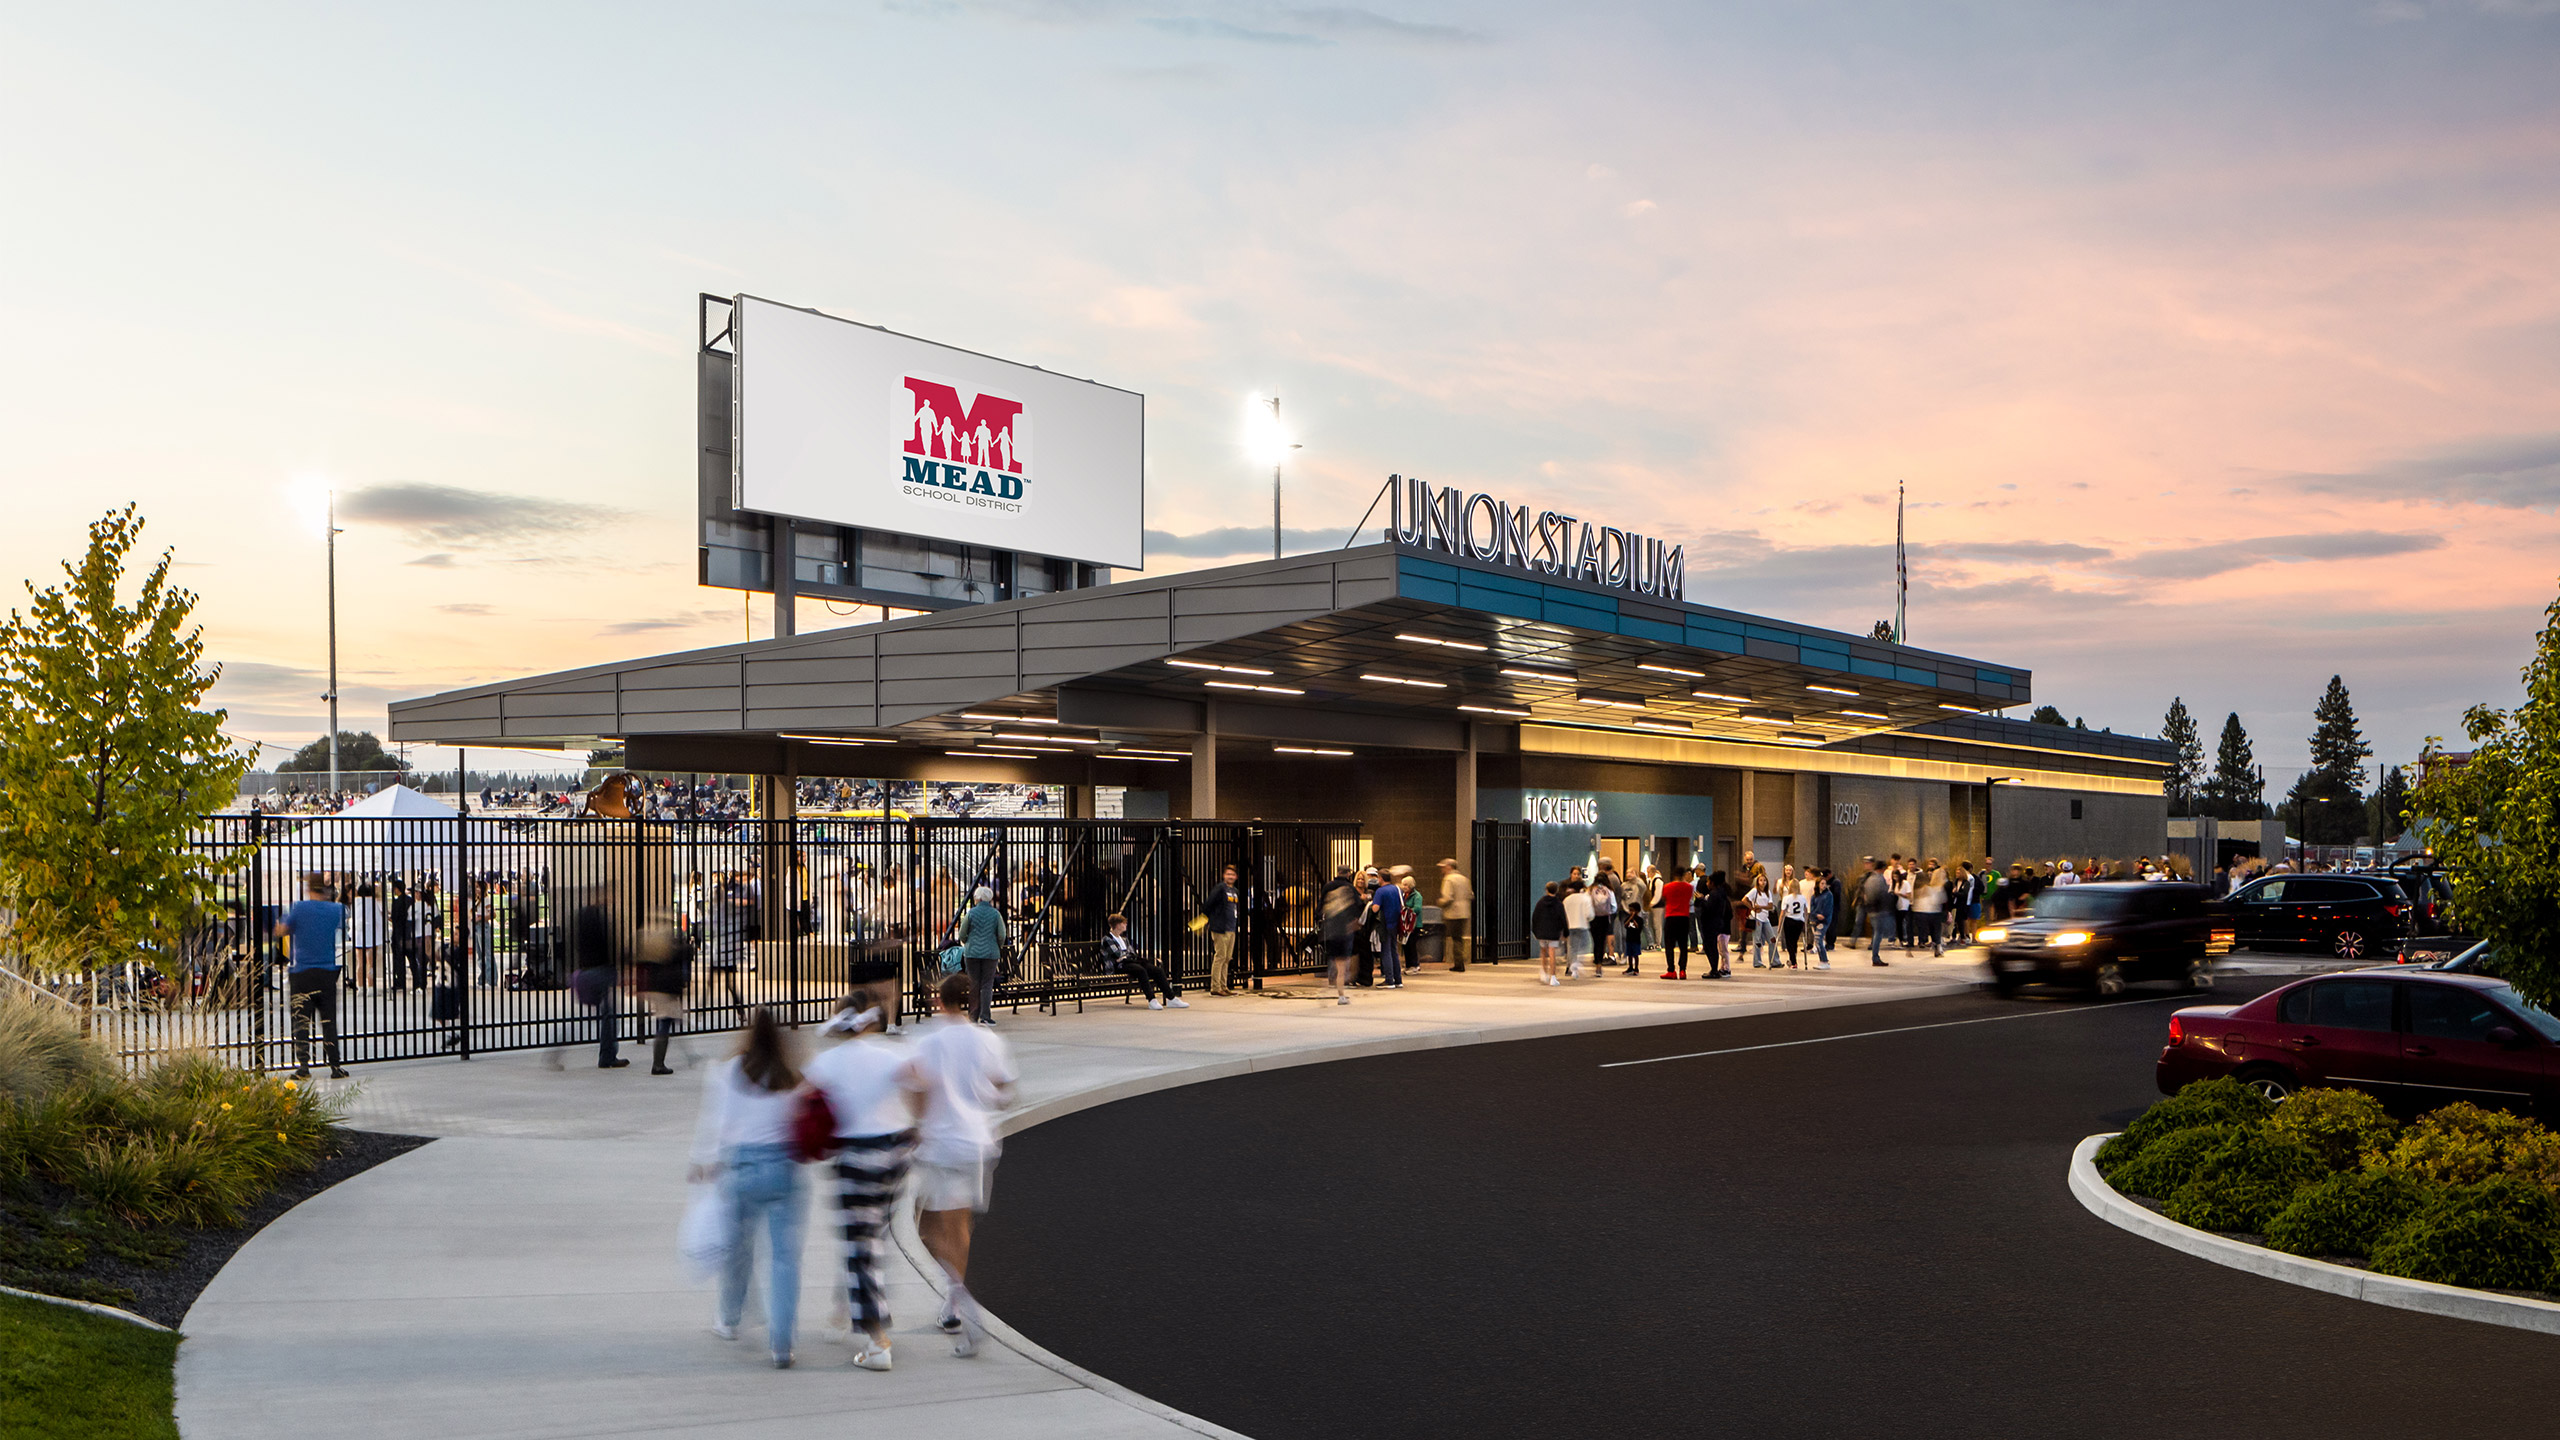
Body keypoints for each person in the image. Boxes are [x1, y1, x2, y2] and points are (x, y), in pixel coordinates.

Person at [904, 973, 1018, 1358]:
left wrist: (917, 1126)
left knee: (926, 1228)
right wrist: (981, 1092)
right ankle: (952, 1303)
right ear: (970, 1002)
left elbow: (916, 1088)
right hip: (979, 1143)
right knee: (959, 1225)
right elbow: (1004, 1090)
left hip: (942, 1146)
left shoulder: (930, 1041)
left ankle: (963, 1307)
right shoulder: (989, 1040)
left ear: (940, 1001)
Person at [802, 1001, 919, 1373]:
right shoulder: (890, 1055)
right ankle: (845, 1309)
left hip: (857, 1155)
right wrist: (918, 1124)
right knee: (873, 1237)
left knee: (860, 1247)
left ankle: (876, 1340)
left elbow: (799, 1098)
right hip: (897, 1149)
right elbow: (922, 1081)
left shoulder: (827, 1063)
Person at [688, 1007, 806, 1368]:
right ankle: (781, 1342)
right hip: (783, 1167)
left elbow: (716, 1121)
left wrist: (703, 1160)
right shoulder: (792, 1074)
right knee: (785, 1258)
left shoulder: (728, 1072)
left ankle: (729, 1319)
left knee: (739, 1250)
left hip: (741, 1167)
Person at [276, 874, 348, 1079]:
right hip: (327, 972)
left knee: (301, 1021)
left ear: (308, 887)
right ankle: (335, 1066)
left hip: (302, 973)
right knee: (329, 1020)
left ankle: (304, 1067)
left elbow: (281, 930)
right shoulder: (336, 910)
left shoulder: (298, 908)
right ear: (325, 890)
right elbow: (343, 924)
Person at [639, 922, 694, 1075]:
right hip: (666, 992)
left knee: (665, 1021)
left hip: (658, 990)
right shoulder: (671, 952)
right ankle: (658, 1064)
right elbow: (685, 955)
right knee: (665, 1023)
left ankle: (661, 1061)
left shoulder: (654, 954)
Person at [1103, 912, 1188, 1009]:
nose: (1126, 925)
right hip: (1117, 966)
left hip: (1129, 963)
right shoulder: (1107, 939)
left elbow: (1131, 954)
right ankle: (1151, 999)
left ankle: (1171, 998)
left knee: (1157, 970)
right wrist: (1125, 956)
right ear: (1117, 925)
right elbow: (1116, 955)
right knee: (1141, 970)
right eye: (1123, 923)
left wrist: (1125, 956)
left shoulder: (1124, 939)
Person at [957, 884, 1005, 1024]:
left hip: (972, 953)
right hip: (990, 953)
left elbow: (962, 933)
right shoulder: (995, 914)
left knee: (973, 984)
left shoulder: (971, 913)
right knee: (987, 984)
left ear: (977, 898)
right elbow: (1001, 935)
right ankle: (985, 1016)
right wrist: (997, 946)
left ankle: (973, 1016)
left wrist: (968, 942)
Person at [1319, 866, 1361, 1005]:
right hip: (1345, 929)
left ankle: (1332, 981)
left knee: (1333, 958)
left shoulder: (1328, 886)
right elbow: (1357, 907)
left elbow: (1320, 907)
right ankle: (1341, 993)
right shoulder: (1350, 888)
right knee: (1343, 964)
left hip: (1331, 928)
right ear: (1348, 874)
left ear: (1337, 872)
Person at [1365, 869, 1407, 989]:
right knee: (1394, 951)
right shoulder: (1397, 889)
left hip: (1385, 924)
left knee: (1386, 951)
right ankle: (1398, 979)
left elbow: (1375, 909)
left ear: (1381, 879)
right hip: (1396, 924)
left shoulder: (1380, 891)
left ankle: (1389, 980)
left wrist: (1371, 904)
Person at [1205, 864, 1241, 997]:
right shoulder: (1220, 888)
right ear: (1223, 876)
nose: (1230, 877)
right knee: (1220, 956)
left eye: (1232, 875)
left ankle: (1223, 985)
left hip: (1231, 927)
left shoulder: (1235, 891)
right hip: (1220, 928)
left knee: (1227, 958)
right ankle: (1215, 986)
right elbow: (1209, 904)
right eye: (1228, 874)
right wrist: (1212, 919)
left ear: (1236, 877)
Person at [1657, 865, 1695, 979]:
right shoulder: (1689, 887)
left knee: (1669, 945)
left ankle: (1671, 970)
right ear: (1684, 875)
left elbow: (1664, 898)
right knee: (1683, 946)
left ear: (1674, 875)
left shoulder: (1667, 887)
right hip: (1684, 918)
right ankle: (1682, 970)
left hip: (1671, 917)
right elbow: (1689, 899)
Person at [1436, 859, 1473, 972]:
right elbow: (1471, 895)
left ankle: (1459, 964)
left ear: (1449, 867)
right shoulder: (1464, 879)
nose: (1442, 869)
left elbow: (1448, 897)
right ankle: (1460, 962)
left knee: (1455, 939)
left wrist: (1440, 902)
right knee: (1459, 938)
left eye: (1443, 867)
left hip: (1453, 913)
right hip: (1464, 912)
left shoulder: (1448, 879)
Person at [345, 881, 384, 989]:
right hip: (371, 935)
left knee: (360, 963)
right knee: (371, 964)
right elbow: (379, 920)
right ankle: (371, 987)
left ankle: (360, 987)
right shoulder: (373, 902)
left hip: (358, 935)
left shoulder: (355, 903)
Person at [1697, 870, 1735, 979]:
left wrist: (1702, 900)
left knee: (1711, 947)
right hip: (1716, 923)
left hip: (1711, 924)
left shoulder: (1715, 894)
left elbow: (1710, 908)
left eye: (1708, 882)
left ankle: (1714, 969)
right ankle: (1714, 968)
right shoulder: (1721, 893)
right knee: (1712, 946)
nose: (1707, 884)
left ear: (1713, 883)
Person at [1530, 881, 1567, 987]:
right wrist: (1565, 932)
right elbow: (1562, 918)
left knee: (1543, 952)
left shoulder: (1540, 902)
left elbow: (1535, 916)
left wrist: (1535, 930)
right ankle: (1553, 977)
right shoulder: (1558, 904)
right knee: (1552, 953)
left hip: (1542, 931)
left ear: (1546, 890)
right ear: (1557, 890)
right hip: (1554, 931)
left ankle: (1544, 972)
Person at [1862, 860, 1895, 967]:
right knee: (1878, 934)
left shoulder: (1869, 879)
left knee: (1877, 933)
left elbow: (1866, 894)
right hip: (1879, 910)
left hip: (1871, 910)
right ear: (1882, 869)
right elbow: (1883, 894)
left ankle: (1875, 956)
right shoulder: (1880, 879)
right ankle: (1875, 957)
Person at [1587, 866, 1619, 972]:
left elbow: (1587, 903)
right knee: (1602, 941)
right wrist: (1610, 913)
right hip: (1605, 918)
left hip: (1593, 918)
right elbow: (1614, 906)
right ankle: (1599, 965)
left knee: (1596, 941)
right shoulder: (1609, 890)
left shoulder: (1591, 889)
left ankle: (1596, 960)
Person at [1560, 879, 1593, 979]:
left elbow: (1563, 914)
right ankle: (1576, 963)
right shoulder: (1586, 899)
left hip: (1570, 925)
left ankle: (1571, 966)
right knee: (1584, 946)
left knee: (1571, 947)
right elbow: (1590, 914)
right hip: (1582, 925)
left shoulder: (1567, 900)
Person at [1743, 874, 1775, 968]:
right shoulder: (1754, 891)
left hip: (1765, 918)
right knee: (1757, 940)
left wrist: (1760, 907)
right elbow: (1744, 900)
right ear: (1757, 882)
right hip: (1757, 918)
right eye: (1761, 880)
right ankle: (1757, 962)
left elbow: (1770, 906)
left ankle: (1774, 960)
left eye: (1764, 880)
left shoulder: (1768, 892)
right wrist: (1752, 908)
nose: (1763, 882)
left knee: (1772, 939)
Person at [1779, 878, 1810, 969]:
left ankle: (1793, 962)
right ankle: (1793, 959)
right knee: (1794, 941)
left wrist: (1779, 924)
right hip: (1799, 921)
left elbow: (1783, 912)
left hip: (1789, 920)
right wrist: (1805, 922)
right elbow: (1805, 911)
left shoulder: (1787, 898)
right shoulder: (1803, 898)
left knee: (1789, 942)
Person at [1808, 870, 1835, 970]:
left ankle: (1825, 961)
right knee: (1817, 941)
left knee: (1819, 940)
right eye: (1822, 883)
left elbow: (1828, 908)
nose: (1824, 885)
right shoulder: (1814, 896)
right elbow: (1812, 908)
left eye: (1825, 883)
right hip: (1815, 919)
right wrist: (1815, 915)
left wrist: (1822, 915)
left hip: (1824, 920)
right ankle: (1821, 960)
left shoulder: (1829, 895)